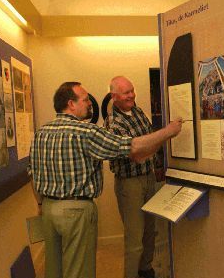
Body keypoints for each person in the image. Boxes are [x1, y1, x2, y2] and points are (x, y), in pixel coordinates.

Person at [28, 81, 182, 278]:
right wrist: (169, 132)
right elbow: (132, 148)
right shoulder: (85, 132)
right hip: (76, 212)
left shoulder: (42, 132)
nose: (89, 104)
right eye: (85, 100)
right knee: (78, 270)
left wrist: (41, 203)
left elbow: (31, 171)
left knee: (54, 270)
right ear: (71, 104)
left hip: (48, 209)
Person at [104, 76, 162, 278]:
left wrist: (149, 146)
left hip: (148, 178)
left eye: (132, 90)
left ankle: (146, 270)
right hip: (129, 185)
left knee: (149, 232)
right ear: (114, 96)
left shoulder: (138, 111)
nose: (131, 95)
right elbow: (135, 154)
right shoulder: (113, 122)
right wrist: (157, 140)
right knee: (135, 239)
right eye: (126, 92)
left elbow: (150, 143)